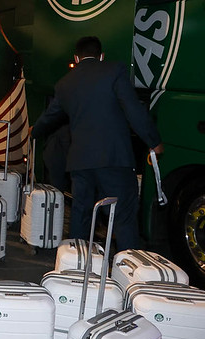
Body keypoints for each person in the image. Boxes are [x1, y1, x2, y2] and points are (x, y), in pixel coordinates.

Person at [32, 36, 164, 251]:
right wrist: (153, 141)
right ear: (102, 56)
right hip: (113, 159)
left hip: (80, 163)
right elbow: (133, 110)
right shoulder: (115, 71)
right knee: (121, 216)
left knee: (81, 213)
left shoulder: (65, 83)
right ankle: (125, 267)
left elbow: (49, 117)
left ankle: (77, 265)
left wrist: (34, 131)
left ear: (76, 57)